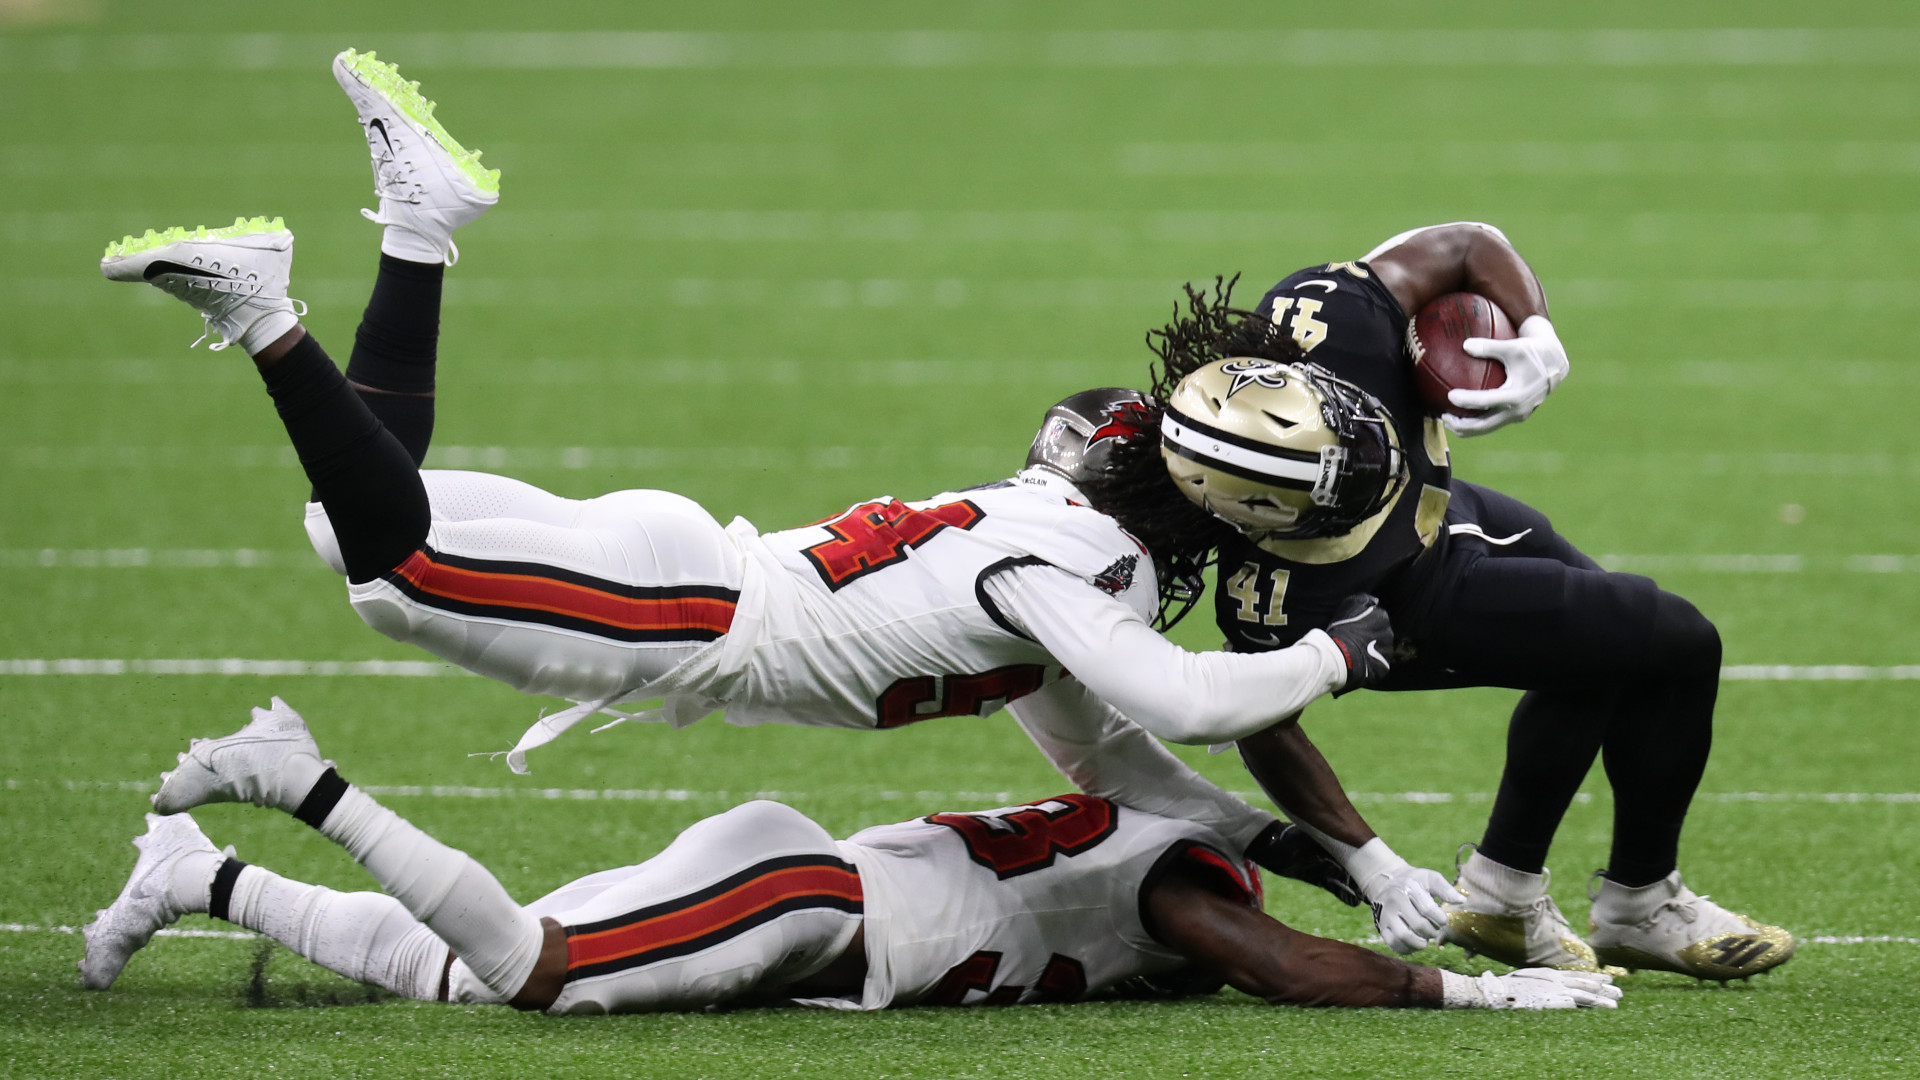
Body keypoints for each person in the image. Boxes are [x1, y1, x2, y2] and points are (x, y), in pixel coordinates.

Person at [97, 50, 1455, 941]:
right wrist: (1342, 650)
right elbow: (1187, 700)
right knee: (389, 568)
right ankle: (264, 310)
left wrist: (1351, 859)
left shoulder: (1067, 567)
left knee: (355, 514)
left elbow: (1120, 761)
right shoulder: (1082, 574)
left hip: (690, 570)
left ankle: (418, 222)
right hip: (686, 615)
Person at [1139, 227, 1793, 981]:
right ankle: (1636, 903)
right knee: (1677, 640)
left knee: (1608, 651)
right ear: (1263, 518)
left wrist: (1537, 332)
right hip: (1413, 607)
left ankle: (1512, 897)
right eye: (1337, 482)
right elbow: (1262, 728)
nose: (1369, 463)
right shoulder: (1279, 595)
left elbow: (1464, 245)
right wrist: (1373, 863)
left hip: (1451, 517)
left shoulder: (1331, 326)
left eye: (1351, 437)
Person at [78, 698, 1619, 1014]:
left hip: (805, 884)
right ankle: (303, 780)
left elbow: (1252, 874)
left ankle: (192, 877)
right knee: (534, 975)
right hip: (811, 901)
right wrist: (1475, 997)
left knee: (449, 976)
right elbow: (1272, 959)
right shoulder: (1186, 878)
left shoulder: (1166, 833)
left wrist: (1356, 870)